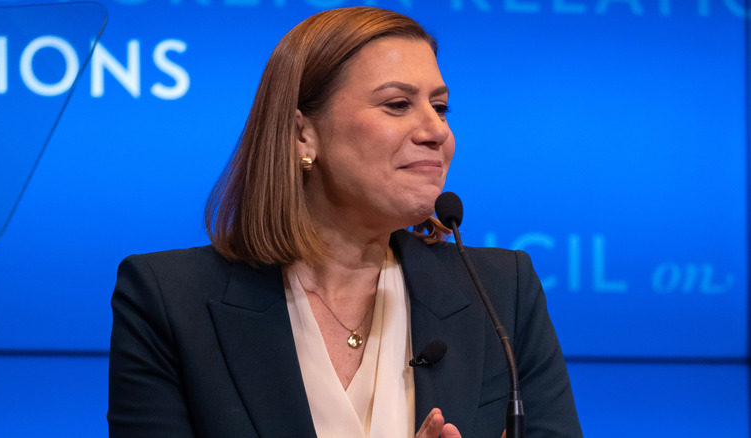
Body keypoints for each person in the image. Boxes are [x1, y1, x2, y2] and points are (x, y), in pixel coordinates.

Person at [108, 6, 582, 438]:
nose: (437, 131)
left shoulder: (502, 294)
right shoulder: (170, 302)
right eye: (398, 105)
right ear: (302, 135)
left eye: (440, 107)